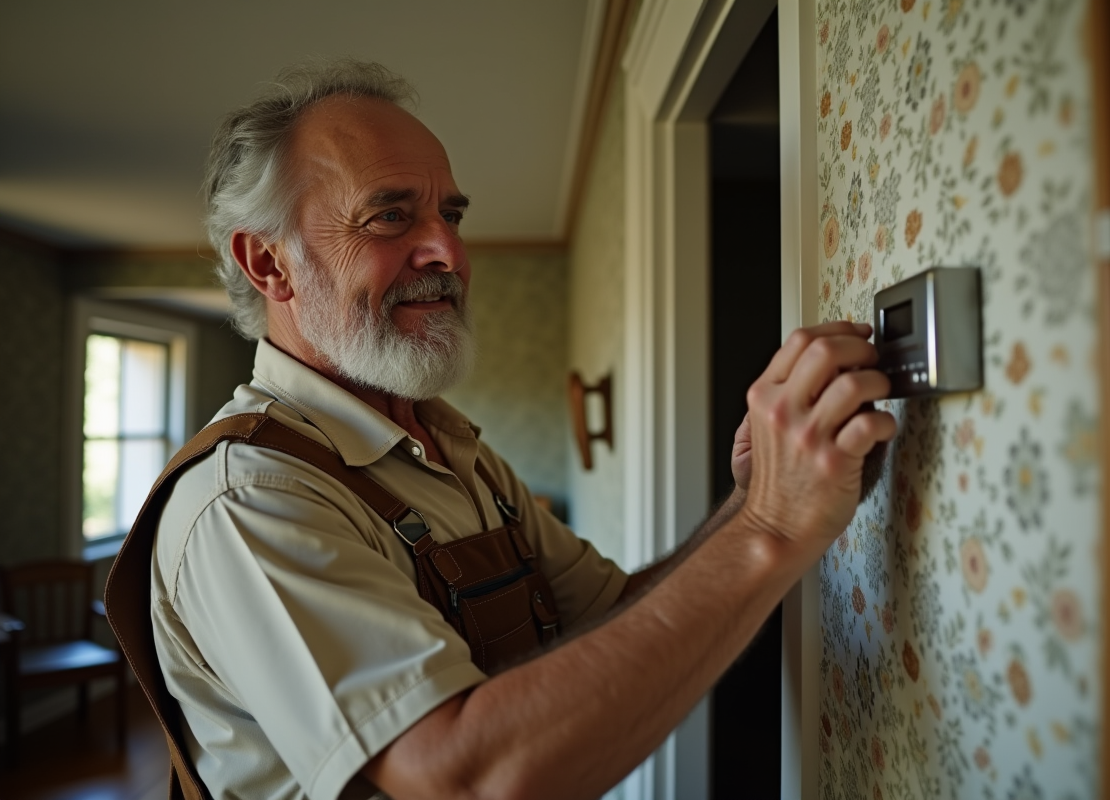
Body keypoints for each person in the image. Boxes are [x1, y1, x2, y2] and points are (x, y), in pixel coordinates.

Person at [143, 59, 896, 800]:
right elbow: (462, 781)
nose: (449, 252)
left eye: (451, 215)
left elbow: (616, 615)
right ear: (269, 262)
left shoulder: (450, 450)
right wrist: (772, 525)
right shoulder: (247, 498)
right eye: (390, 216)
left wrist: (752, 497)